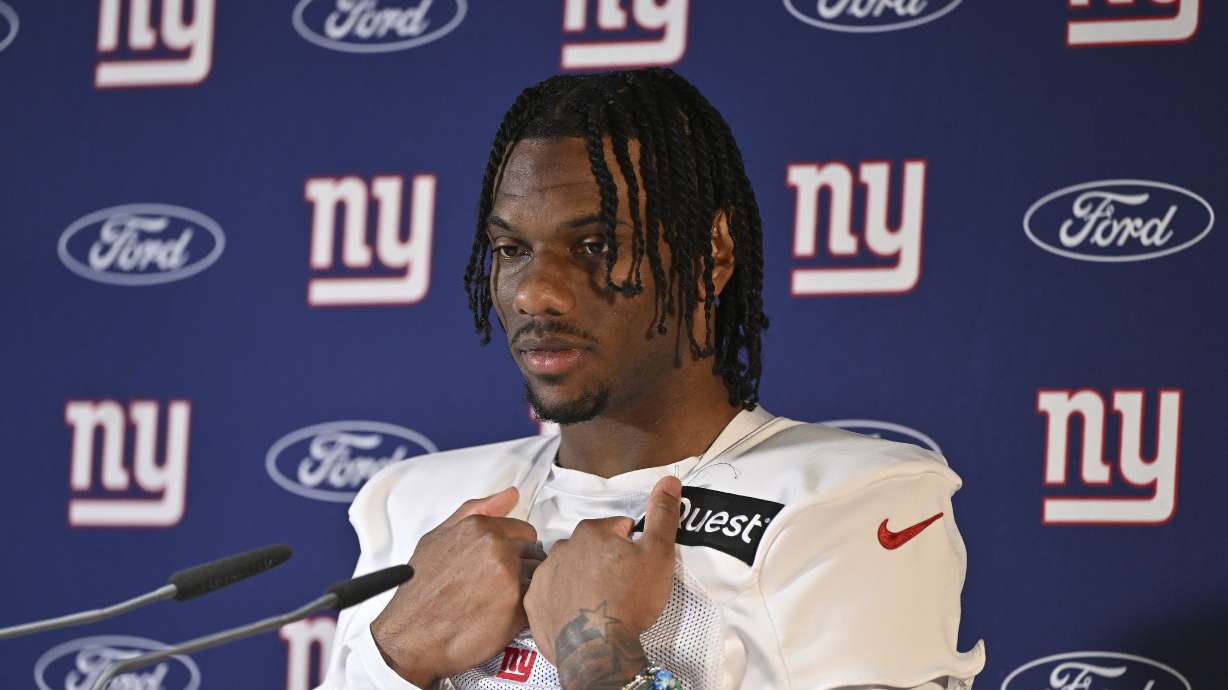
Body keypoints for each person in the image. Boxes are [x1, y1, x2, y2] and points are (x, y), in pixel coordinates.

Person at [318, 68, 985, 690]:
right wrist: (398, 653)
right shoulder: (417, 504)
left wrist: (600, 655)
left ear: (713, 252)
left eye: (596, 246)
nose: (535, 294)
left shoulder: (852, 502)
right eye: (512, 250)